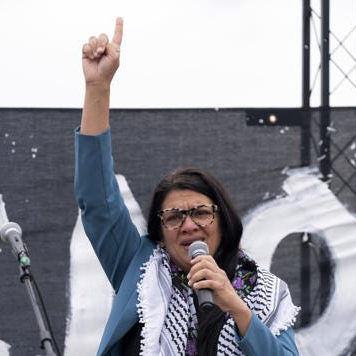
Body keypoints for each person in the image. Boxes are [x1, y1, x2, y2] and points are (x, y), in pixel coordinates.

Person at [74, 17, 300, 356]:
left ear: (222, 218)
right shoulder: (140, 272)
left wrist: (235, 307)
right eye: (174, 217)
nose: (189, 225)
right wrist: (98, 88)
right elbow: (98, 201)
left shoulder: (264, 292)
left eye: (199, 212)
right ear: (160, 231)